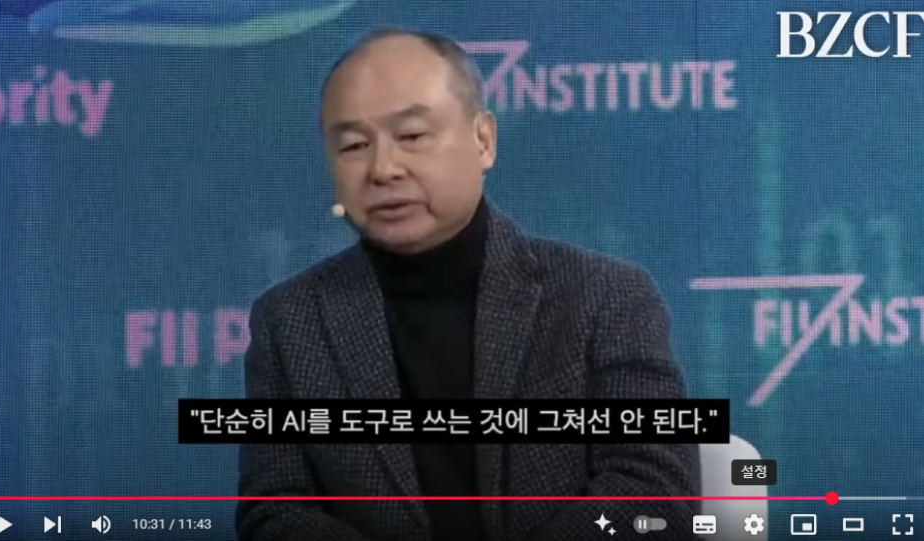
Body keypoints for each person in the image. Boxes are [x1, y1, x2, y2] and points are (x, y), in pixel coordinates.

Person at [237, 26, 700, 541]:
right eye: (353, 145)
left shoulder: (605, 298)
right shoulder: (290, 322)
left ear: (483, 140)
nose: (383, 168)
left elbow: (653, 493)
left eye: (412, 136)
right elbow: (275, 513)